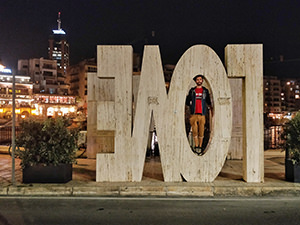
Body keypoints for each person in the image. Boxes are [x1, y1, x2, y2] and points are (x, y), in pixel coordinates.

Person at [186, 74, 212, 154]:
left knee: (201, 131)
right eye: (197, 80)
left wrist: (211, 109)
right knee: (194, 131)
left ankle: (200, 146)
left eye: (200, 79)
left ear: (202, 80)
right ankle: (196, 146)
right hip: (193, 113)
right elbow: (187, 101)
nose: (199, 81)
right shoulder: (192, 91)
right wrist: (190, 106)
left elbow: (208, 101)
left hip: (202, 113)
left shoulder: (205, 91)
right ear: (195, 81)